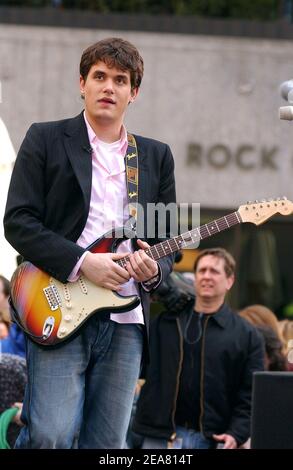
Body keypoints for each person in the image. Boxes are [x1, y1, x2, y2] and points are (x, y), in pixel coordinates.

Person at [3, 37, 176, 448]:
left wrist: (154, 271)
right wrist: (83, 262)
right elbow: (18, 221)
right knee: (51, 434)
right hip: (57, 302)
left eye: (120, 80)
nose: (108, 87)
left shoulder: (156, 156)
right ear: (82, 83)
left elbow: (168, 241)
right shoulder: (45, 138)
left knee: (108, 446)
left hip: (127, 318)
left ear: (134, 92)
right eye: (99, 76)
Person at [133, 248, 265, 449]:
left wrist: (236, 434)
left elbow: (251, 394)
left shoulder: (247, 335)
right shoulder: (164, 323)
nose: (206, 276)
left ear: (230, 281)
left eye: (214, 271)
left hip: (213, 439)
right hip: (160, 436)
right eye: (202, 271)